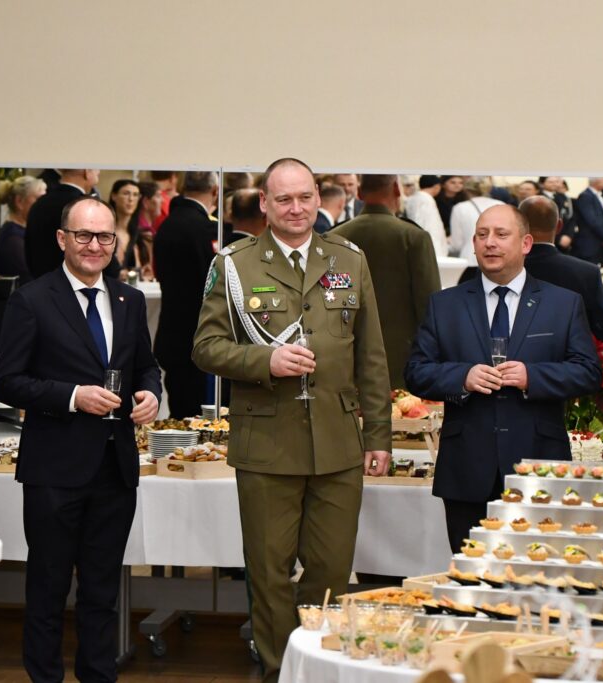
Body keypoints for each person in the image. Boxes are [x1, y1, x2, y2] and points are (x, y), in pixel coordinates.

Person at [193, 158, 391, 683]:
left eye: (305, 197)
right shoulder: (234, 265)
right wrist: (266, 361)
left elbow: (371, 355)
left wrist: (379, 434)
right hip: (267, 441)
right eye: (283, 199)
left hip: (338, 442)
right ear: (264, 204)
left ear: (318, 198)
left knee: (331, 568)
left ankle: (317, 663)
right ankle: (281, 669)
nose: (296, 208)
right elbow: (206, 347)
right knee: (269, 572)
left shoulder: (349, 258)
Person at [0, 196, 161, 682]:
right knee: (47, 590)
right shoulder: (32, 299)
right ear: (62, 239)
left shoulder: (129, 300)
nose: (94, 245)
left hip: (115, 468)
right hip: (54, 469)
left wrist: (150, 393)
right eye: (83, 235)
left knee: (102, 593)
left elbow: (145, 366)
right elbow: (8, 382)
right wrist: (72, 397)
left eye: (104, 236)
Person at [405, 204, 601, 553]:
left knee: (538, 571)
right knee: (472, 573)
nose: (489, 243)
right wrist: (462, 377)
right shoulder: (445, 305)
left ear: (526, 244)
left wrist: (532, 376)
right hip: (467, 469)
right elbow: (416, 372)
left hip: (538, 465)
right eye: (482, 235)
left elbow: (588, 372)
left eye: (500, 234)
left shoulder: (562, 303)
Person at [330, 173, 441, 388]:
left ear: (359, 193)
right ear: (397, 190)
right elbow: (429, 306)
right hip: (402, 358)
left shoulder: (336, 236)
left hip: (347, 356)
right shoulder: (413, 237)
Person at [153, 171, 219, 418]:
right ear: (215, 191)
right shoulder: (206, 229)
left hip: (172, 332)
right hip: (199, 335)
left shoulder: (167, 224)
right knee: (200, 416)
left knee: (180, 410)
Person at [520, 196, 603, 342]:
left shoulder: (502, 271)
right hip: (569, 354)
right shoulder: (587, 273)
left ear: (518, 225)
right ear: (559, 226)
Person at [24, 168, 115, 279]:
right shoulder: (85, 207)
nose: (99, 172)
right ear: (87, 172)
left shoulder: (39, 203)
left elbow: (29, 251)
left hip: (39, 282)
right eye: (96, 170)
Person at [0, 175, 46, 283]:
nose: (43, 205)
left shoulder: (20, 232)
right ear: (19, 202)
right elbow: (28, 280)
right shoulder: (12, 238)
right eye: (39, 199)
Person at [449, 176, 503, 263]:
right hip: (497, 257)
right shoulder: (501, 205)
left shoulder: (459, 208)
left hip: (469, 259)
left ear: (467, 190)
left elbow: (457, 245)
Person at [571, 178, 603, 264]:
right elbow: (592, 221)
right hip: (590, 244)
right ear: (597, 181)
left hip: (602, 242)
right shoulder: (585, 196)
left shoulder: (601, 195)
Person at [404, 174, 448, 257]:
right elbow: (430, 226)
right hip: (430, 245)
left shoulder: (413, 198)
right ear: (437, 187)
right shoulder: (426, 199)